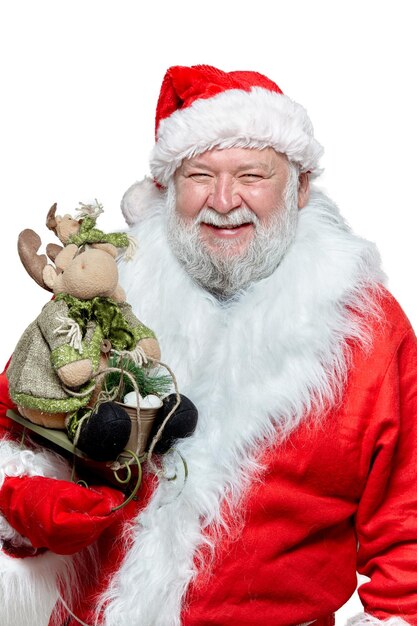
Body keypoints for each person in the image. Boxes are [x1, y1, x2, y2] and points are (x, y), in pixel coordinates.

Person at [0, 64, 416, 626]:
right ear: (167, 189)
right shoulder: (105, 294)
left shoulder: (364, 326)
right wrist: (36, 503)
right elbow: (16, 428)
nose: (223, 200)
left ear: (300, 187)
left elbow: (408, 525)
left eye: (251, 174)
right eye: (200, 174)